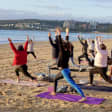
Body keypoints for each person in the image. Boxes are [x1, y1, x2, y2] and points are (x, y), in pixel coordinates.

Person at [51, 28, 86, 102]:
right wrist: (67, 33)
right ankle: (54, 91)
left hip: (64, 71)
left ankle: (83, 96)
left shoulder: (63, 51)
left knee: (73, 84)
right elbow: (65, 42)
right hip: (66, 70)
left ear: (63, 47)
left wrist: (59, 33)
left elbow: (60, 42)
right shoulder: (68, 51)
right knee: (55, 79)